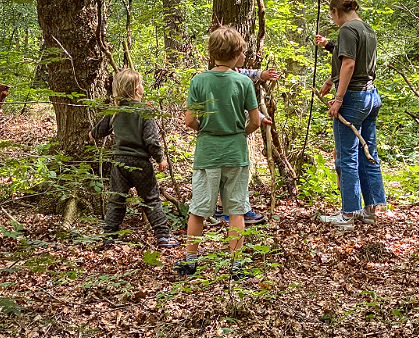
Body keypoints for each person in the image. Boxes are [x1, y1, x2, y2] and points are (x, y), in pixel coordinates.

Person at [178, 27, 260, 278]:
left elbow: (189, 120)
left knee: (199, 209)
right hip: (235, 152)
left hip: (207, 153)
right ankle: (236, 266)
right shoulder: (244, 82)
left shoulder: (199, 81)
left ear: (212, 53)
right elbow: (255, 121)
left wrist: (208, 128)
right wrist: (239, 132)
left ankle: (190, 261)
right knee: (236, 210)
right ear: (237, 55)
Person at [314, 0, 386, 230]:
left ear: (336, 11)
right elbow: (350, 62)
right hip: (371, 96)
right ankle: (371, 209)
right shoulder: (366, 28)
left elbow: (349, 64)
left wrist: (338, 97)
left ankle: (348, 213)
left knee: (347, 155)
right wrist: (330, 79)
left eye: (332, 15)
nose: (333, 20)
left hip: (353, 98)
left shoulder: (347, 29)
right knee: (368, 151)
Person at [89, 69, 179, 249]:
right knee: (151, 199)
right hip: (140, 164)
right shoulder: (145, 110)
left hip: (119, 163)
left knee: (116, 201)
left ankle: (109, 238)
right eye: (141, 84)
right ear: (136, 89)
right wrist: (160, 158)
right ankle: (163, 237)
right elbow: (151, 140)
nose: (143, 86)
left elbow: (95, 134)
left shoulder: (115, 111)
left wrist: (90, 134)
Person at [211, 65, 280, 226]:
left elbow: (249, 74)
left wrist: (262, 75)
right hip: (224, 135)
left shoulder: (236, 74)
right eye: (240, 52)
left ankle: (240, 209)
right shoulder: (220, 79)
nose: (243, 56)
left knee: (237, 172)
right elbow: (239, 106)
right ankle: (224, 210)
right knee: (227, 171)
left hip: (233, 136)